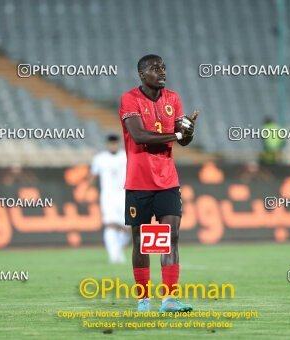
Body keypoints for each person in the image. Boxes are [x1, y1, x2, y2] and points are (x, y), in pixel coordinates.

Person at [119, 54, 199, 312]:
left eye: (163, 67)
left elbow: (182, 139)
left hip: (167, 180)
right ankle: (143, 299)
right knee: (142, 240)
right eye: (156, 68)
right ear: (142, 74)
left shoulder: (172, 98)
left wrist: (188, 133)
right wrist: (177, 134)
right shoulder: (129, 99)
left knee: (171, 236)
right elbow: (139, 135)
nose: (162, 71)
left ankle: (169, 299)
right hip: (139, 181)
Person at [87, 134, 131, 264]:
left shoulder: (126, 156)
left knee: (128, 226)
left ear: (118, 143)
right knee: (110, 224)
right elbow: (93, 176)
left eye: (115, 143)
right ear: (107, 144)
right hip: (108, 196)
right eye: (110, 143)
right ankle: (114, 256)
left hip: (124, 194)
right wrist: (87, 189)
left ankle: (118, 250)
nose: (113, 145)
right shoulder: (100, 158)